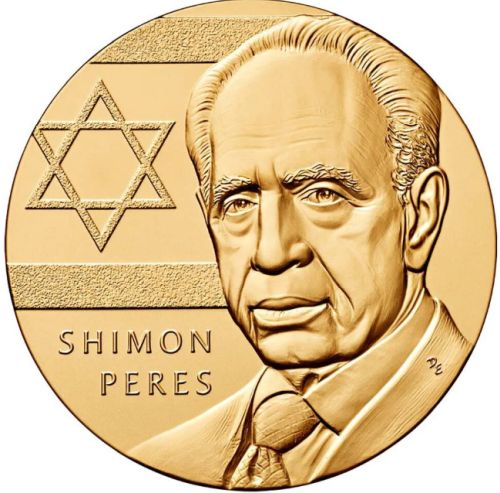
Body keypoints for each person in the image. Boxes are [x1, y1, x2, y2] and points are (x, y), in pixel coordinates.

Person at [130, 15, 471, 488]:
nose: (271, 253)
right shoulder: (164, 462)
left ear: (419, 217)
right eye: (239, 202)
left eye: (323, 194)